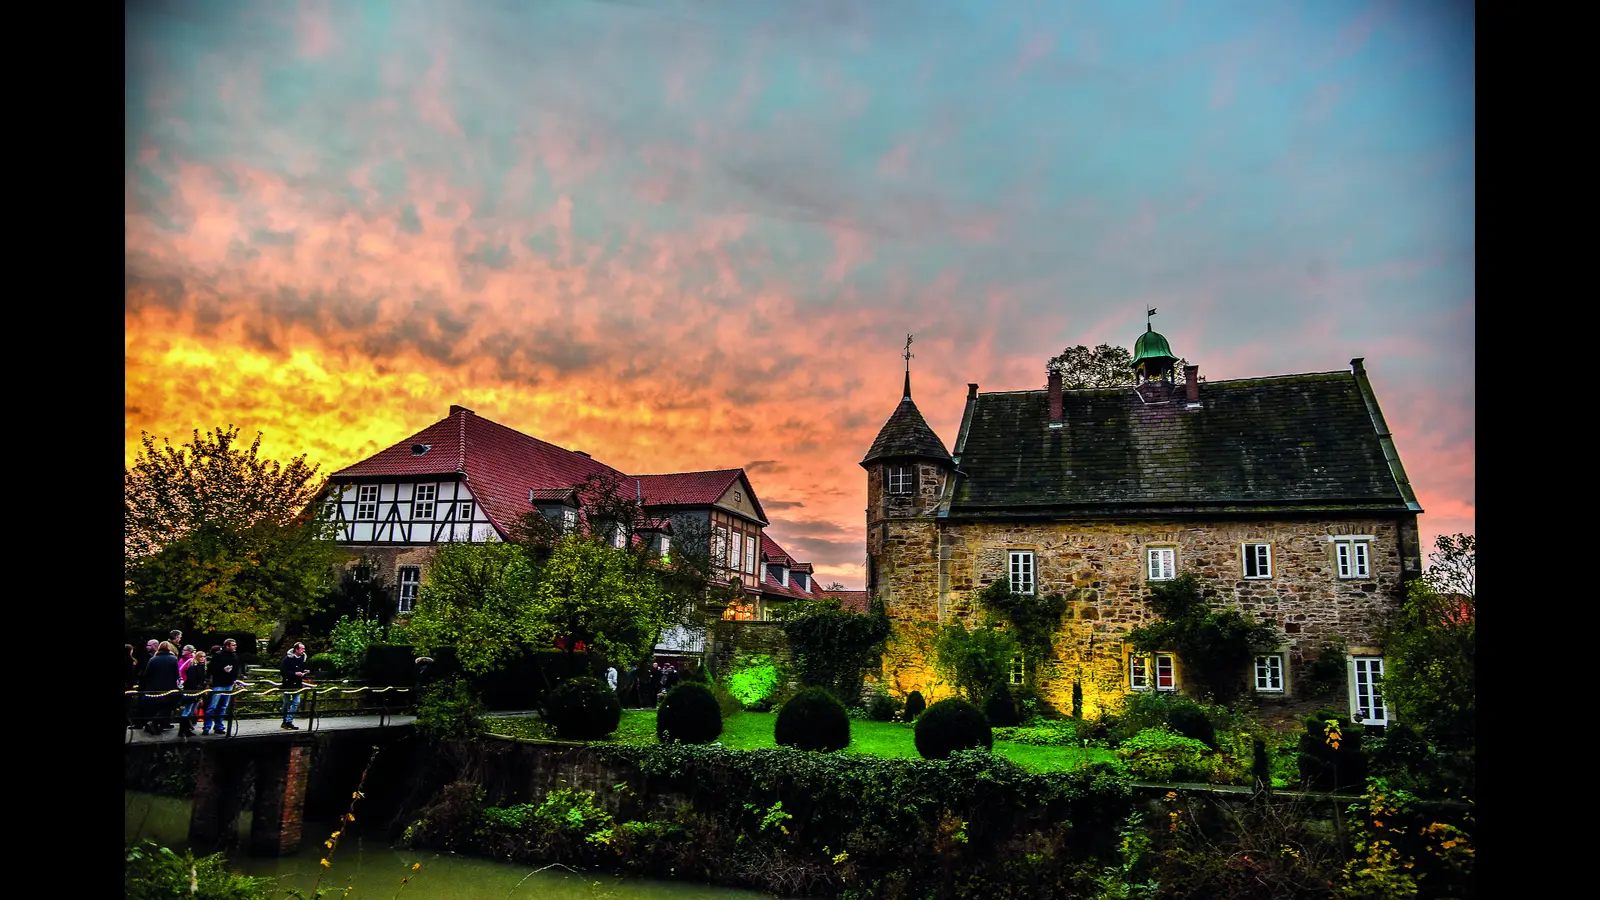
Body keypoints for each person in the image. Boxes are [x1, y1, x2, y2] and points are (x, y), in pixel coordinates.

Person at [139, 642, 181, 736]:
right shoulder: (173, 659)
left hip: (154, 687)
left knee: (155, 706)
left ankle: (153, 724)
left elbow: (146, 674)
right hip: (168, 687)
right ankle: (156, 723)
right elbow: (176, 674)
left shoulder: (153, 659)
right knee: (167, 706)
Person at [204, 639, 241, 736]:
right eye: (233, 645)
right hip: (218, 684)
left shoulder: (234, 657)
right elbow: (211, 669)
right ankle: (207, 727)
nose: (235, 647)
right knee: (212, 706)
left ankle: (219, 726)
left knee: (223, 707)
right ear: (227, 646)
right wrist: (222, 670)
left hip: (228, 684)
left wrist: (234, 680)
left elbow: (236, 670)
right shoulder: (218, 655)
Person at [279, 642, 312, 730]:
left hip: (297, 684)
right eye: (302, 649)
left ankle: (288, 721)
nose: (303, 651)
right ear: (296, 650)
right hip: (287, 684)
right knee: (286, 703)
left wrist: (304, 672)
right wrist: (294, 673)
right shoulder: (287, 659)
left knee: (296, 702)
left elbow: (301, 669)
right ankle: (285, 721)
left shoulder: (302, 659)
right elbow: (283, 671)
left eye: (304, 649)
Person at [178, 651, 208, 738]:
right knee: (187, 710)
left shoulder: (203, 667)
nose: (202, 658)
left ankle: (187, 729)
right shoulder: (193, 667)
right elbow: (191, 680)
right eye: (201, 657)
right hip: (191, 691)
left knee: (191, 711)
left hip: (198, 691)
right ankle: (183, 730)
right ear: (197, 657)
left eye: (204, 656)